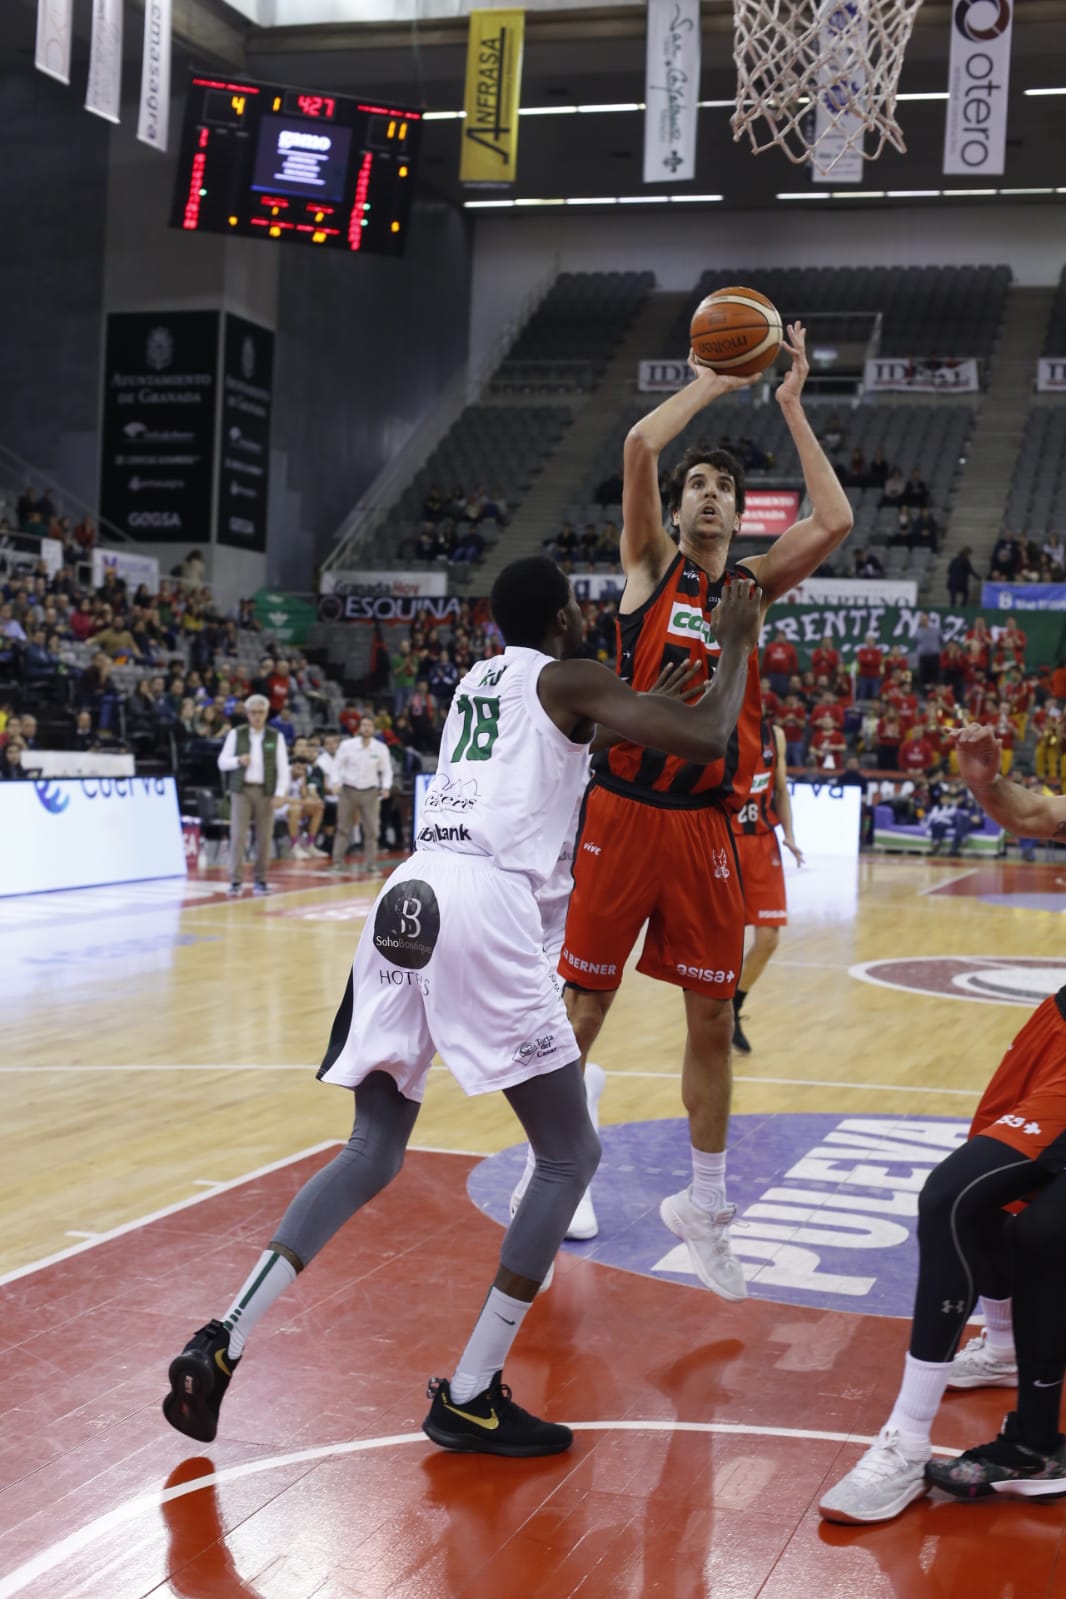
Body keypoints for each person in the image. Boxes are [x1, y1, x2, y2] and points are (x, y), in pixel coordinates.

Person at [161, 556, 762, 1456]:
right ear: (562, 617)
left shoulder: (477, 685)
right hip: (484, 903)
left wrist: (628, 709)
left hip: (407, 896)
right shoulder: (571, 674)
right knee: (570, 1151)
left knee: (370, 1149)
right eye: (578, 612)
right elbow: (712, 737)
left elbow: (553, 757)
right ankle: (473, 1389)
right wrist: (740, 649)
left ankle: (225, 1335)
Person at [557, 325, 853, 1294]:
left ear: (738, 511)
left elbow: (836, 519)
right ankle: (558, 1159)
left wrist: (790, 405)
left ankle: (706, 1205)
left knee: (709, 1017)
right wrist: (708, 382)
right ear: (677, 510)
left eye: (724, 487)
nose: (711, 494)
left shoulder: (751, 589)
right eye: (699, 487)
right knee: (584, 1007)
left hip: (703, 829)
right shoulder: (646, 565)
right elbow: (640, 447)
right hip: (622, 809)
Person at [820, 720, 1066, 1522]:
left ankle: (905, 1439)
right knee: (1009, 1214)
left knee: (952, 1198)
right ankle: (1007, 1364)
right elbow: (1035, 816)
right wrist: (986, 784)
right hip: (1058, 1026)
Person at [730, 719, 803, 1055]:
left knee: (769, 938)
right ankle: (713, 1013)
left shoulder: (775, 735)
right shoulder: (719, 723)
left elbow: (782, 789)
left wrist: (789, 835)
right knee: (723, 938)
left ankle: (734, 1004)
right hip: (725, 839)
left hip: (762, 841)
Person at [217, 694, 291, 897]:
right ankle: (235, 880)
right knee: (238, 836)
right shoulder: (236, 734)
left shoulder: (275, 736)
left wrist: (280, 793)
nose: (257, 716)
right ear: (247, 714)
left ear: (266, 713)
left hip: (265, 792)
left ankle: (261, 880)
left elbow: (283, 769)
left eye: (261, 712)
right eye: (253, 712)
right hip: (241, 790)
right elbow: (222, 762)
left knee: (264, 838)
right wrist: (238, 761)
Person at [331, 715, 393, 876]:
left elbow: (386, 770)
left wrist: (386, 787)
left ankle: (371, 865)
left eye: (369, 725)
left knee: (372, 830)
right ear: (359, 728)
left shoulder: (380, 748)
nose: (366, 728)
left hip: (370, 791)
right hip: (348, 790)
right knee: (343, 828)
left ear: (373, 729)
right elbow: (337, 765)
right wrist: (335, 782)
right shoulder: (347, 745)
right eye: (364, 725)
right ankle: (337, 863)